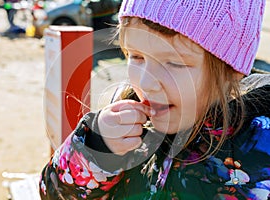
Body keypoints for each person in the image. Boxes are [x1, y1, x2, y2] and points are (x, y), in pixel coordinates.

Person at [39, 0, 270, 199]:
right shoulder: (126, 127)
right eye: (136, 57)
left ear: (231, 72)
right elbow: (55, 194)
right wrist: (95, 151)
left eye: (175, 63)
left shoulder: (259, 154)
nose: (146, 82)